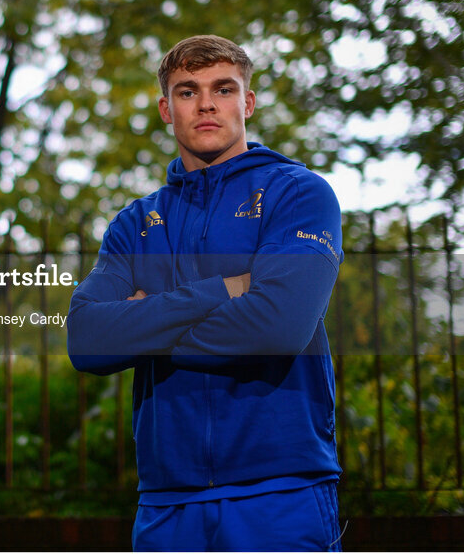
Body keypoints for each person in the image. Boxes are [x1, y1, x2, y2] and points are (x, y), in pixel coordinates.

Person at [67, 35, 344, 551]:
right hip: (166, 502)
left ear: (248, 102)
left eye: (224, 88)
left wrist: (144, 322)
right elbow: (86, 339)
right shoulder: (134, 224)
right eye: (188, 91)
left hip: (280, 492)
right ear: (166, 110)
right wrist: (225, 290)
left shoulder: (299, 193)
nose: (207, 103)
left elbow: (277, 327)